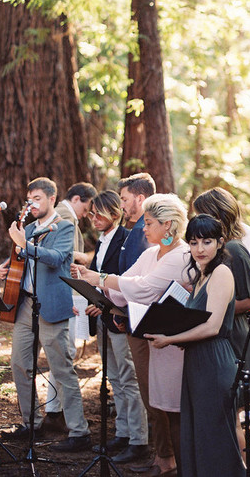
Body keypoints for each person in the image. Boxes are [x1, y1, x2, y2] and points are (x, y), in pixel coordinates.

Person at [73, 192, 189, 477]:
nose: (144, 229)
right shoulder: (151, 253)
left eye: (149, 223)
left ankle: (178, 462)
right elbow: (125, 288)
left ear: (170, 225)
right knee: (151, 399)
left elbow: (143, 287)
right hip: (140, 332)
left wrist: (99, 278)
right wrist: (98, 290)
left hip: (170, 340)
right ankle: (162, 458)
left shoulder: (181, 255)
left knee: (169, 403)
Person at [145, 214, 245, 477]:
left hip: (215, 361)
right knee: (200, 431)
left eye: (207, 242)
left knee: (215, 434)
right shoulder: (201, 274)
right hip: (196, 361)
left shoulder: (222, 273)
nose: (199, 249)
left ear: (221, 243)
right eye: (193, 242)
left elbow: (212, 326)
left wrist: (170, 339)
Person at [0, 177, 91, 452]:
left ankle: (79, 432)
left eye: (37, 199)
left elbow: (57, 257)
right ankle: (32, 423)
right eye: (29, 200)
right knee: (19, 364)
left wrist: (24, 245)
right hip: (25, 306)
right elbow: (19, 257)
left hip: (50, 305)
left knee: (62, 370)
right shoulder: (26, 229)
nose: (32, 204)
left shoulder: (64, 226)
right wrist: (5, 267)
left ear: (52, 199)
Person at [193, 188, 250, 454]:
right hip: (216, 336)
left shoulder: (234, 250)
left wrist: (217, 308)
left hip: (234, 340)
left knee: (230, 419)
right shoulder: (215, 250)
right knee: (219, 417)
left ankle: (239, 467)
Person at [84, 190, 148, 463]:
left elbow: (124, 280)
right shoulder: (101, 240)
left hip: (120, 317)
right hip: (101, 317)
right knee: (115, 380)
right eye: (90, 213)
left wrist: (107, 303)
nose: (93, 218)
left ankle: (139, 439)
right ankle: (122, 432)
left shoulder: (125, 238)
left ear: (114, 213)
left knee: (128, 378)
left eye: (99, 213)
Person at [45, 181, 97, 424]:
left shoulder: (65, 214)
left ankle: (56, 409)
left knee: (64, 352)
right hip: (63, 288)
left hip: (65, 286)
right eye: (86, 209)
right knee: (64, 353)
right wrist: (83, 257)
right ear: (76, 199)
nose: (86, 216)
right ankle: (58, 412)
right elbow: (62, 253)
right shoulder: (64, 213)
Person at [118, 172, 155, 273]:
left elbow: (132, 278)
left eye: (125, 200)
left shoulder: (141, 230)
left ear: (140, 199)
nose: (121, 206)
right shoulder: (154, 226)